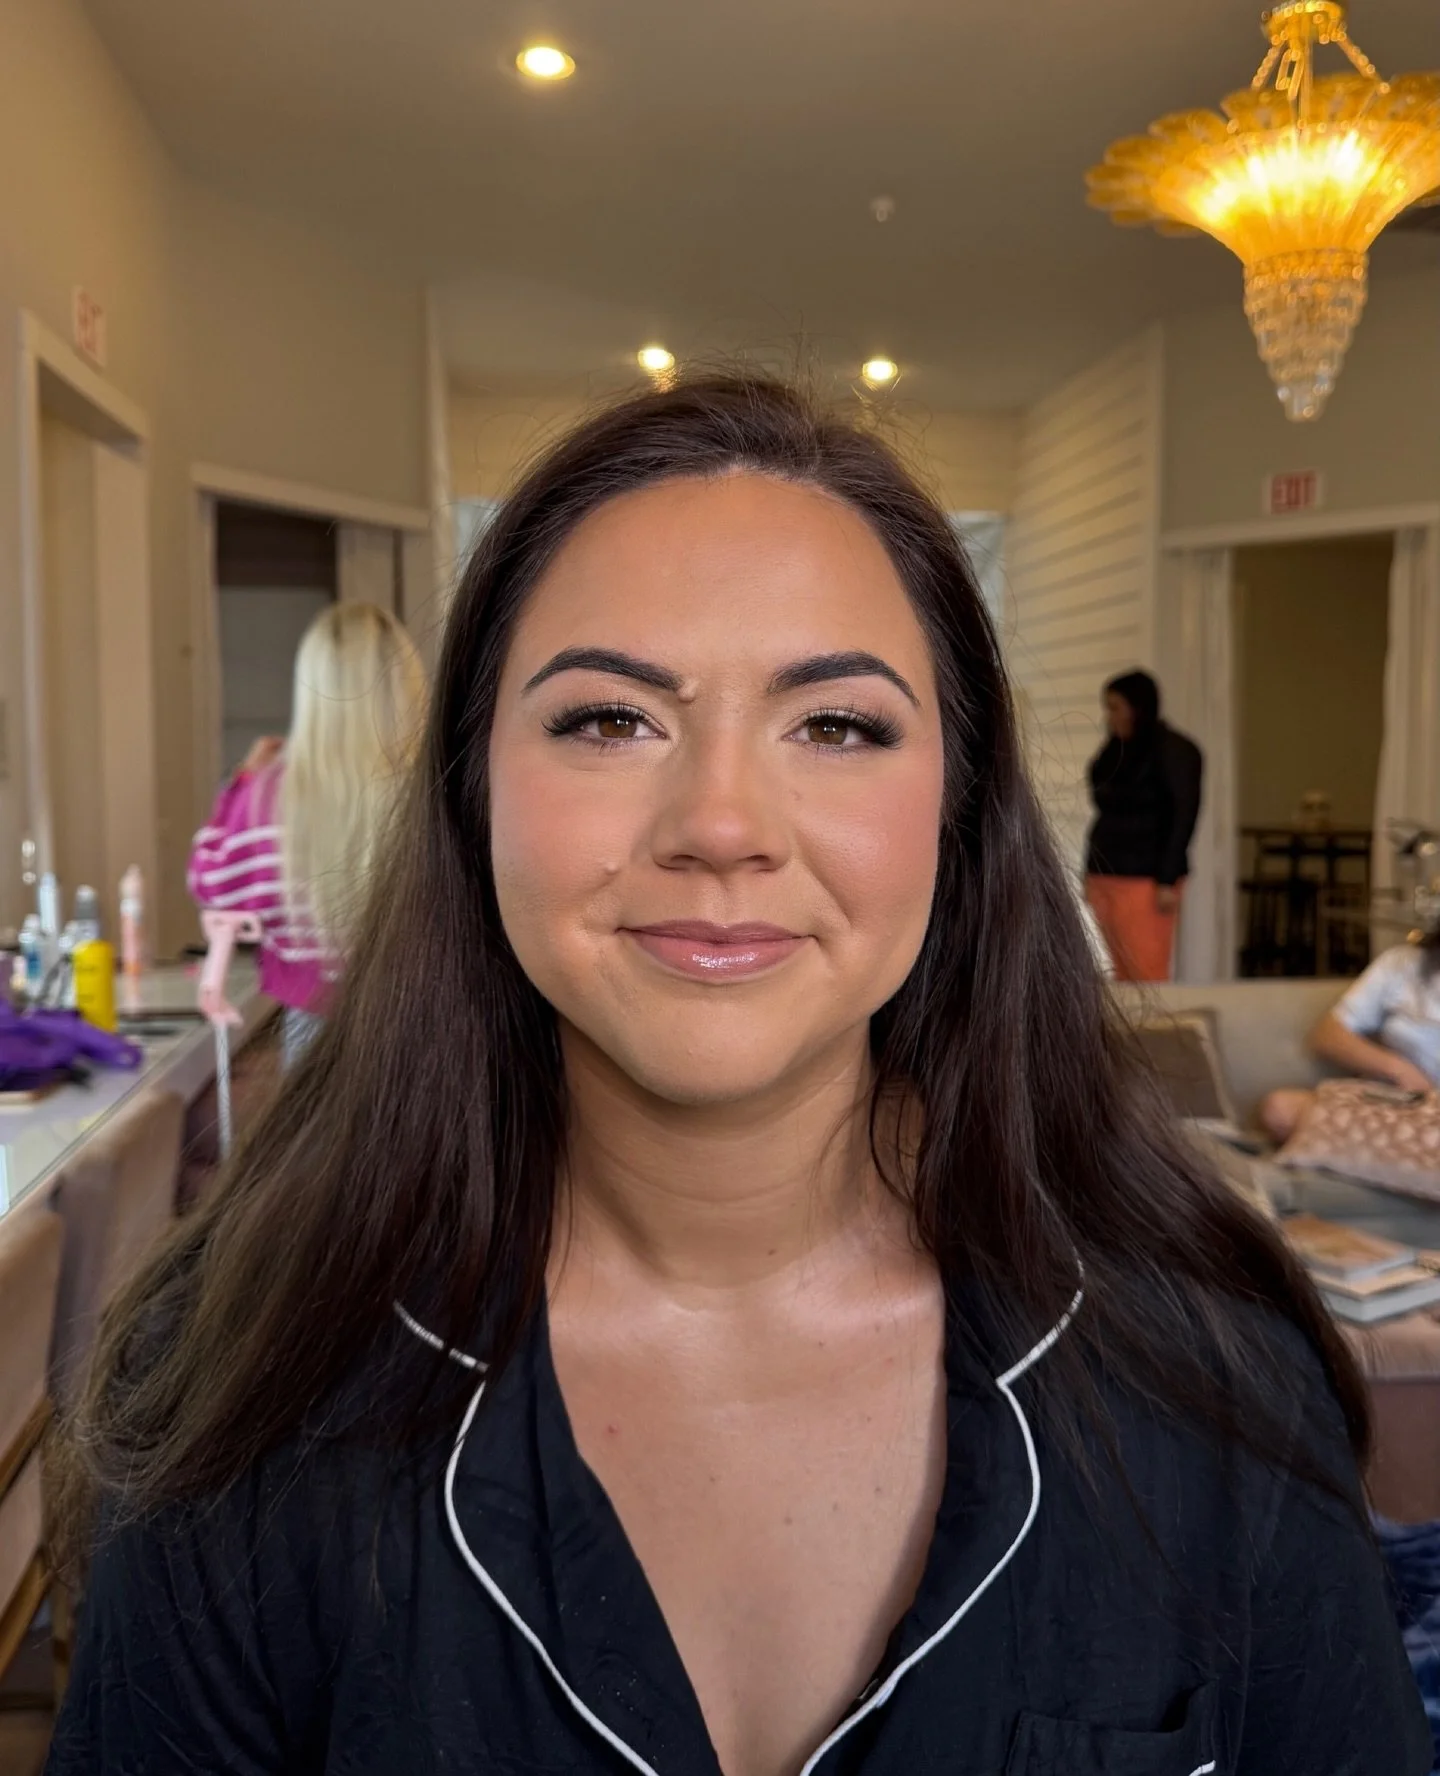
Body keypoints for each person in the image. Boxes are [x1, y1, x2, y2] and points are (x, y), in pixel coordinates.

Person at [50, 377, 1426, 1775]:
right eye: (607, 719)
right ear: (472, 791)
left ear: (960, 810)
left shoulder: (1211, 1374)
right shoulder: (244, 1385)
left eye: (836, 726)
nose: (719, 823)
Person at [187, 601, 427, 1065]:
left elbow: (211, 884)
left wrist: (241, 783)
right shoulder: (441, 788)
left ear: (312, 688)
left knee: (324, 1140)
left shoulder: (265, 800)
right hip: (427, 1020)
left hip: (313, 1027)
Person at [1261, 930, 1440, 1142]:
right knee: (1280, 1109)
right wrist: (1400, 1070)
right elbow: (1327, 1035)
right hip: (1393, 1105)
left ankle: (1384, 1157)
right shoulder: (1402, 963)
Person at [1084, 669, 1203, 983]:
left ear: (1138, 708)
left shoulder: (1176, 752)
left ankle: (1148, 1033)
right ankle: (1123, 1033)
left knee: (1145, 972)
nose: (1109, 716)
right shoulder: (1115, 751)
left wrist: (1166, 879)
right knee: (1118, 971)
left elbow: (1183, 816)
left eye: (1115, 707)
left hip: (1145, 881)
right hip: (1105, 873)